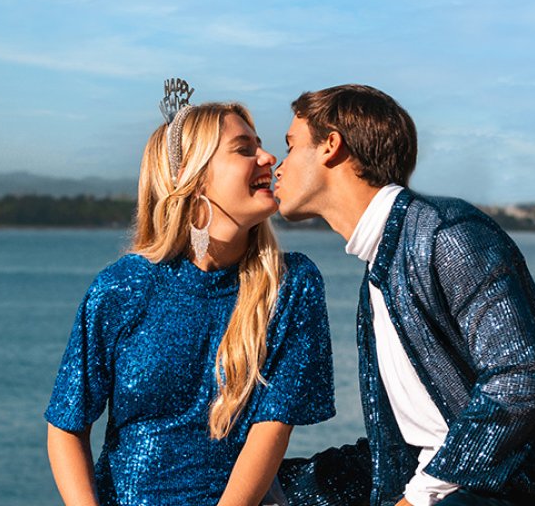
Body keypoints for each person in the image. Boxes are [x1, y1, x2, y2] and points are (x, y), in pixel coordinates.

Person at [273, 85, 535, 506]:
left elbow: (520, 381)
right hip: (446, 484)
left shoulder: (446, 234)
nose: (278, 164)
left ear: (331, 145)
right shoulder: (379, 269)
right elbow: (413, 438)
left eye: (290, 147)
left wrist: (418, 497)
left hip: (526, 492)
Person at [46, 94, 336, 506]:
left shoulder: (290, 285)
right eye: (245, 149)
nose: (270, 158)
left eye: (262, 145)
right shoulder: (122, 287)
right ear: (194, 178)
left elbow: (272, 428)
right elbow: (66, 426)